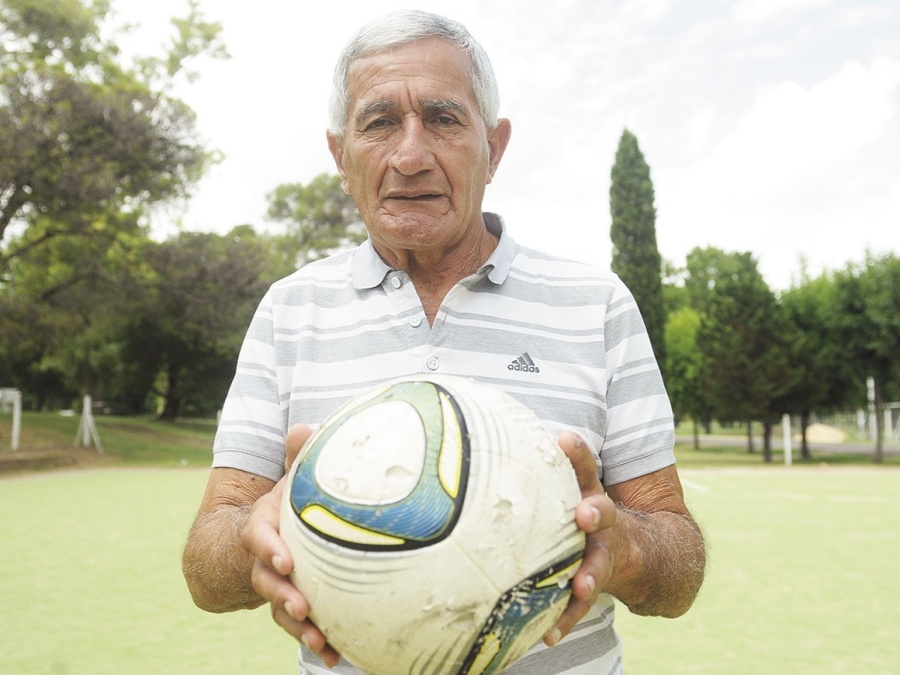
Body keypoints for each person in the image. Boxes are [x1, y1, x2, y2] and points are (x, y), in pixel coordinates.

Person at [182, 9, 706, 674]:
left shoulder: (595, 303)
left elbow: (678, 566)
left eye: (443, 118)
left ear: (495, 146)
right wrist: (257, 538)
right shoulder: (290, 311)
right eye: (378, 122)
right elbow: (206, 565)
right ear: (341, 155)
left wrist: (622, 544)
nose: (410, 156)